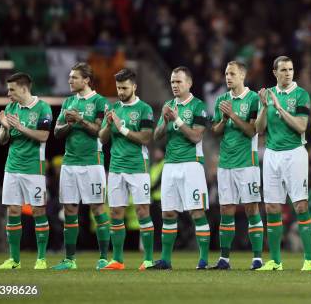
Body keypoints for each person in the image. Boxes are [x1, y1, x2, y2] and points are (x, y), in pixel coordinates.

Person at [255, 56, 311, 271]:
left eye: (290, 69)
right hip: (271, 154)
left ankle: (308, 260)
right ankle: (276, 261)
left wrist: (279, 107)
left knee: (300, 205)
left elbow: (301, 126)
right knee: (271, 207)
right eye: (284, 70)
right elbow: (259, 129)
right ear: (275, 73)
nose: (288, 73)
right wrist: (263, 107)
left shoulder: (301, 95)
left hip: (294, 154)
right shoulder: (267, 94)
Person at [149, 66, 211, 270]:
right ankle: (165, 260)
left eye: (179, 82)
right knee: (168, 213)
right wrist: (164, 121)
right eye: (172, 82)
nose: (175, 85)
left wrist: (176, 119)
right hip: (170, 165)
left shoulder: (198, 106)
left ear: (189, 83)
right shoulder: (168, 105)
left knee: (197, 212)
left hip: (191, 165)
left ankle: (203, 260)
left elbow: (196, 136)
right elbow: (157, 136)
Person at [52, 62, 110, 270]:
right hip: (70, 163)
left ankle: (103, 258)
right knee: (69, 209)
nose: (69, 80)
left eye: (74, 77)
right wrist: (69, 123)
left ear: (86, 80)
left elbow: (100, 132)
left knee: (97, 208)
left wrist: (80, 119)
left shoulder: (100, 102)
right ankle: (70, 259)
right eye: (69, 77)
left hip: (92, 163)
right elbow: (56, 133)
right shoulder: (67, 102)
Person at [98, 68, 155, 270]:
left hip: (138, 167)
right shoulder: (113, 108)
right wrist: (107, 124)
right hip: (115, 167)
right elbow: (102, 138)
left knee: (142, 211)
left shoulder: (144, 109)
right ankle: (118, 260)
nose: (121, 91)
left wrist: (122, 128)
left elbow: (146, 137)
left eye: (124, 87)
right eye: (118, 88)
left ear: (134, 86)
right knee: (115, 212)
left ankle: (148, 259)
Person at [0, 72, 53, 270]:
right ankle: (14, 260)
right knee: (13, 210)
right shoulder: (11, 108)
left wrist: (19, 127)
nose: (8, 93)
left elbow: (44, 136)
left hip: (33, 168)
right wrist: (5, 128)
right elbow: (2, 140)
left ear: (23, 88)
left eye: (11, 89)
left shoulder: (43, 107)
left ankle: (41, 258)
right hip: (12, 167)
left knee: (38, 210)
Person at [210, 61, 263, 270]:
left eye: (232, 73)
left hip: (247, 164)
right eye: (226, 73)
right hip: (226, 163)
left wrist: (232, 115)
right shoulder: (221, 100)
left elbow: (252, 131)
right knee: (226, 209)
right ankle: (224, 259)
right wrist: (223, 120)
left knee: (251, 208)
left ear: (242, 75)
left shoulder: (252, 99)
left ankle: (257, 258)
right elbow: (215, 131)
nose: (227, 77)